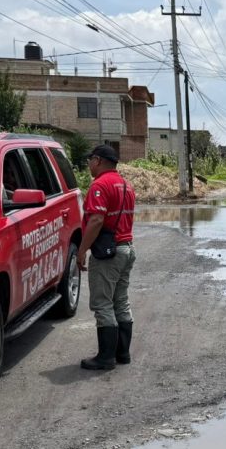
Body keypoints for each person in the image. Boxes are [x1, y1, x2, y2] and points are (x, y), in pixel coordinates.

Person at [77, 145, 136, 370]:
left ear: (99, 161)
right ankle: (123, 353)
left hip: (109, 254)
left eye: (90, 160)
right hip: (127, 248)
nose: (89, 164)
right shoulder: (126, 186)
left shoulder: (100, 185)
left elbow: (96, 221)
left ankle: (105, 357)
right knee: (120, 300)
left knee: (102, 304)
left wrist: (82, 250)